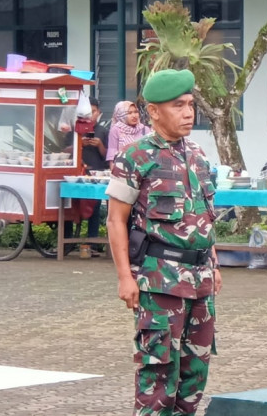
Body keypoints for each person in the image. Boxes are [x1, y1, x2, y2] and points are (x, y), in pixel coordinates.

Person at [106, 69, 221, 415]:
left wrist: (213, 264)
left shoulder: (198, 154)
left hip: (200, 282)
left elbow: (205, 216)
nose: (189, 113)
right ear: (154, 111)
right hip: (159, 283)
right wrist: (125, 276)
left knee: (194, 377)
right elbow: (116, 220)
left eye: (190, 105)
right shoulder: (135, 157)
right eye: (178, 106)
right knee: (158, 378)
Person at [63, 96, 109, 254]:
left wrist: (100, 145)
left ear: (99, 113)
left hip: (96, 174)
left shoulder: (103, 131)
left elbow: (108, 156)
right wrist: (78, 144)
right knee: (70, 207)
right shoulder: (73, 130)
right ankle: (66, 243)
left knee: (94, 207)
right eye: (88, 112)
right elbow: (63, 152)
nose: (90, 115)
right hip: (75, 175)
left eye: (94, 112)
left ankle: (93, 243)